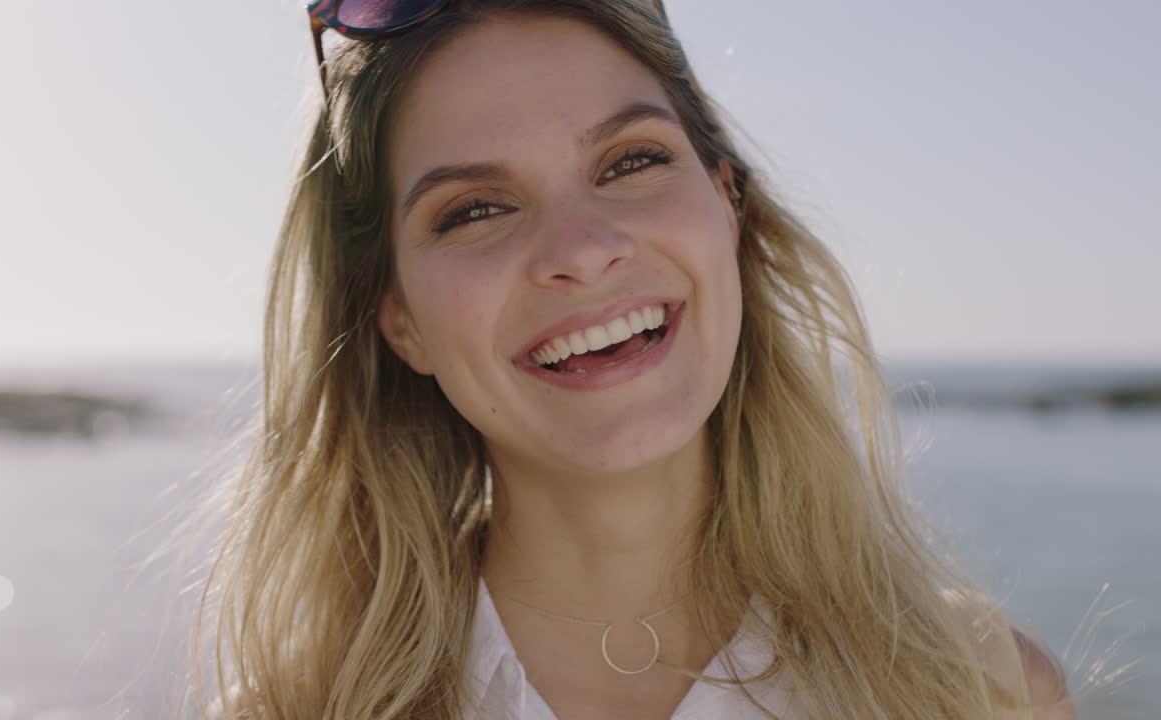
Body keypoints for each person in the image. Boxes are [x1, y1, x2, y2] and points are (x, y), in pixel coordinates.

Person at [192, 1, 1077, 717]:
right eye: (474, 211)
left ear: (728, 205)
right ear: (400, 320)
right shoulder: (290, 712)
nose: (583, 250)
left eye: (631, 162)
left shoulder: (982, 692)